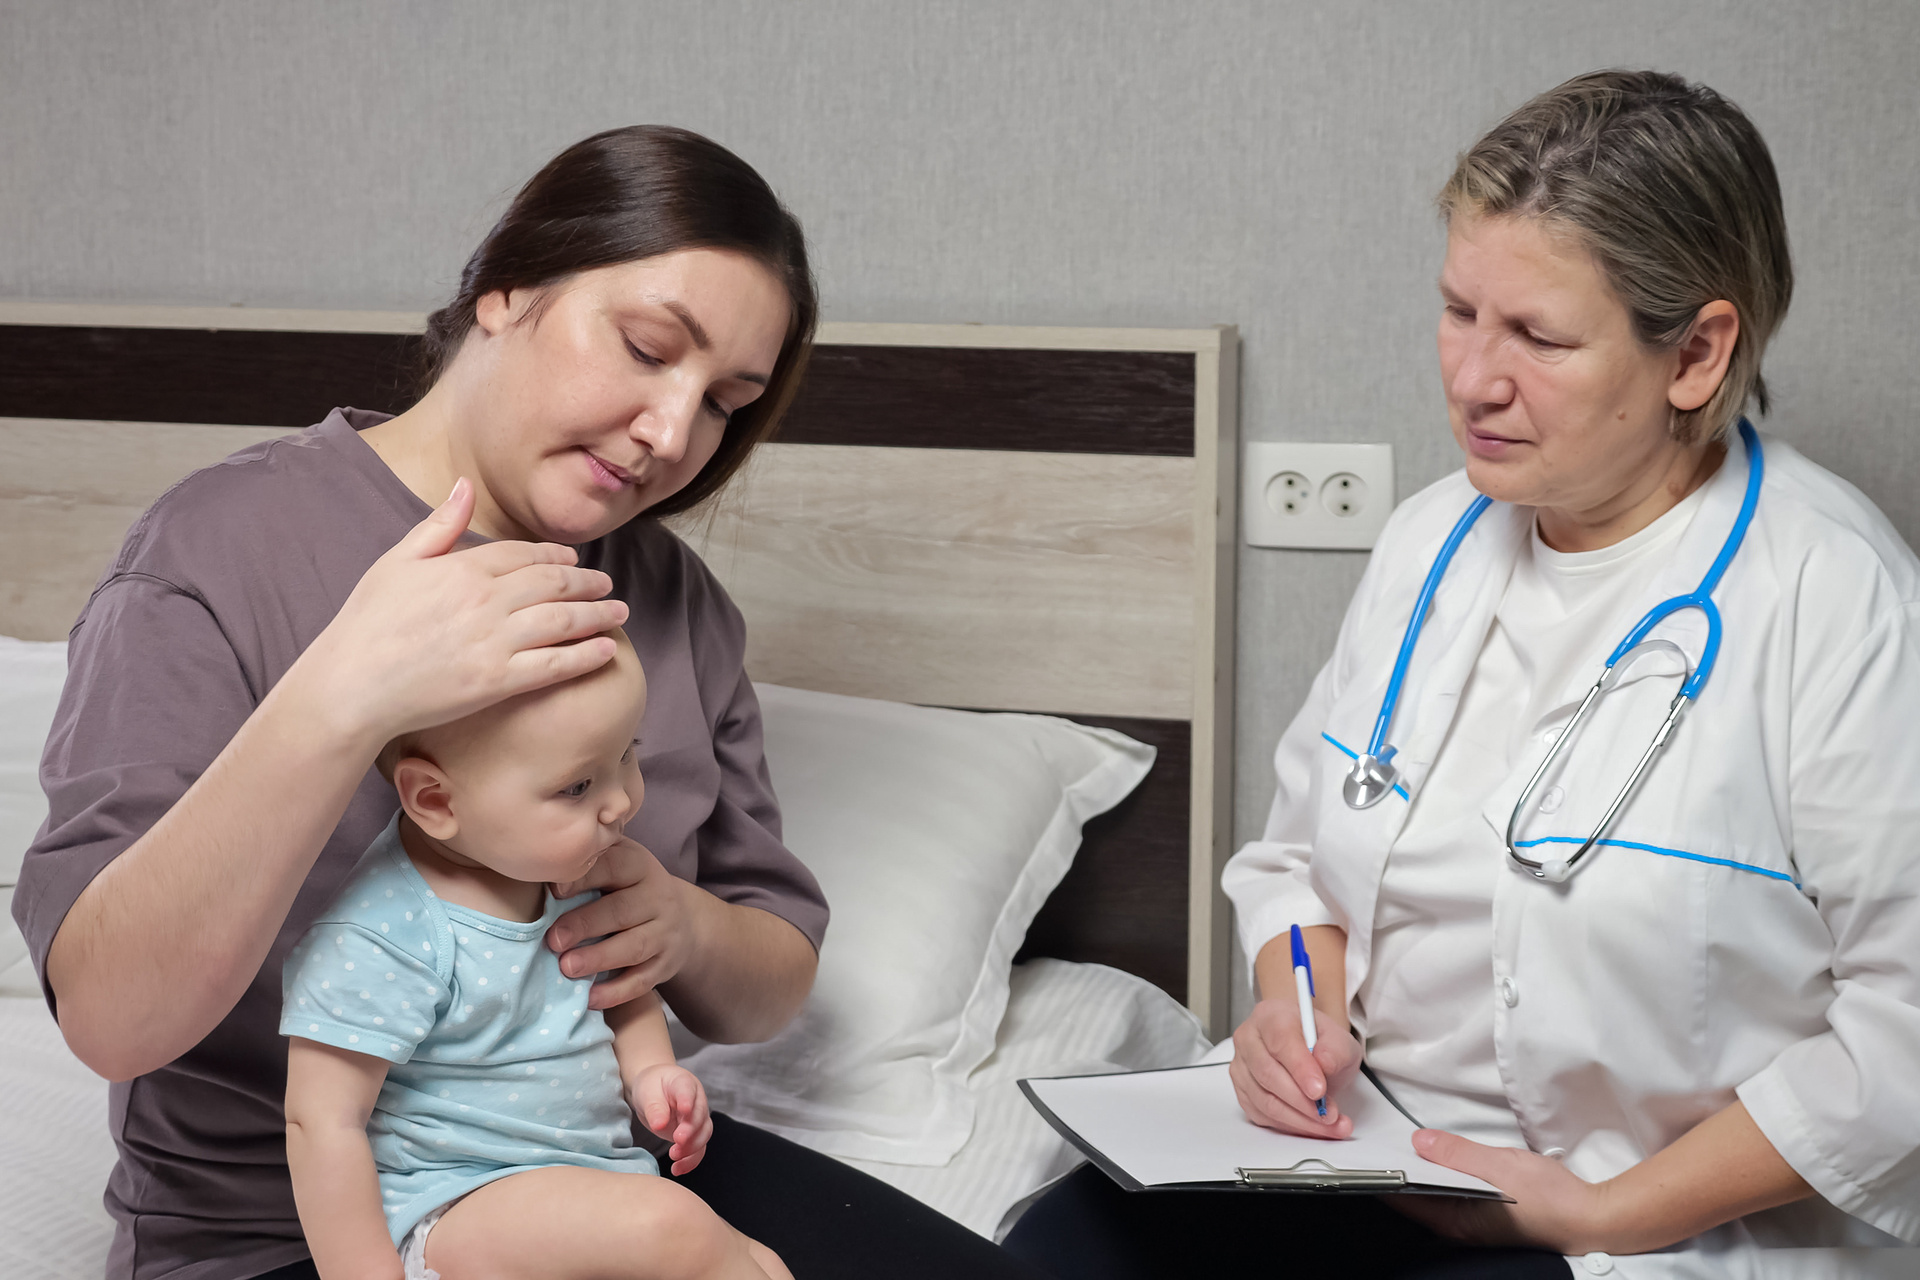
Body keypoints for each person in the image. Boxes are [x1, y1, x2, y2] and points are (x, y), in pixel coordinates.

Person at [15, 125, 1047, 1280]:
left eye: (724, 402)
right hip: (290, 1228)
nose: (674, 435)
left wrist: (681, 923)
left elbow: (770, 973)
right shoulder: (220, 548)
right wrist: (342, 694)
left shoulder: (673, 602)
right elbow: (110, 1018)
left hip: (596, 1167)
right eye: (650, 347)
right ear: (506, 289)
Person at [1006, 70, 1920, 1279]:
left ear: (1696, 354)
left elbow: (1903, 1032)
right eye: (1458, 310)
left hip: (1650, 1219)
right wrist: (1296, 1010)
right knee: (1057, 1248)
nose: (1474, 379)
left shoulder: (1838, 594)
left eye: (1539, 337)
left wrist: (1606, 1213)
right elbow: (1294, 872)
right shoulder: (1428, 541)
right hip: (1371, 1155)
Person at [284, 629, 787, 1280]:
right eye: (578, 786)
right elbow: (321, 1123)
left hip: (592, 1185)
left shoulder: (569, 868)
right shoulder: (386, 932)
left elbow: (618, 991)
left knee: (761, 1264)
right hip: (457, 1207)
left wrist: (651, 1072)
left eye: (626, 756)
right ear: (437, 800)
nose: (621, 802)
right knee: (676, 1229)